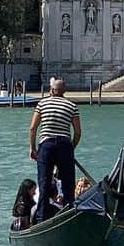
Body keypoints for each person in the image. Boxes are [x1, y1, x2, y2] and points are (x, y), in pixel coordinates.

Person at [28, 77, 81, 223]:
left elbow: (33, 128)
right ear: (65, 91)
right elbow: (77, 132)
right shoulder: (71, 106)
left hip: (47, 146)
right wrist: (71, 148)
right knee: (68, 185)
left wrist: (32, 148)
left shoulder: (42, 103)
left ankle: (41, 219)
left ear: (51, 90)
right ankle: (69, 216)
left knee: (44, 183)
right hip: (65, 145)